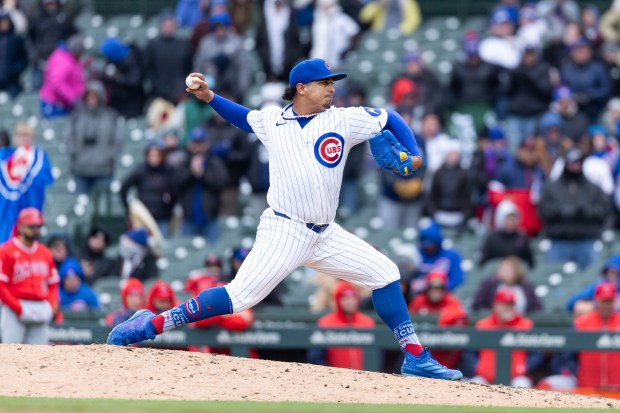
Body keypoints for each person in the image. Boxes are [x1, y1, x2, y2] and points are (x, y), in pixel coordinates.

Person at [107, 58, 463, 381]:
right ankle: (152, 323)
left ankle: (415, 355)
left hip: (326, 233)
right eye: (325, 83)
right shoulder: (272, 120)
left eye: (332, 82)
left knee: (386, 274)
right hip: (285, 229)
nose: (332, 88)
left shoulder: (342, 119)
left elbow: (390, 118)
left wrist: (414, 157)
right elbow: (242, 117)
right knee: (238, 298)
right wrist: (210, 96)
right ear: (302, 88)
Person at [538, 149, 610, 269]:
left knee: (590, 278)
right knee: (555, 277)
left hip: (586, 240)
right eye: (571, 163)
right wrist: (560, 211)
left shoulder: (592, 188)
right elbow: (542, 210)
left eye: (577, 163)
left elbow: (603, 210)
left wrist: (584, 211)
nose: (574, 166)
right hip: (559, 241)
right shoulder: (552, 187)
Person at [0, 208, 58, 344]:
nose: (36, 229)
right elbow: (1, 286)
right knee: (10, 353)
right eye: (31, 226)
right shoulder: (6, 251)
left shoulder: (45, 253)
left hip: (40, 307)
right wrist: (17, 307)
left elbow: (53, 283)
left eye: (38, 226)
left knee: (40, 356)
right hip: (15, 308)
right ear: (20, 227)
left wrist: (51, 303)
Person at [66, 80, 123, 196]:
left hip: (104, 170)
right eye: (90, 96)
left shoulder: (111, 116)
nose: (92, 99)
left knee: (103, 209)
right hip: (81, 169)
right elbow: (68, 137)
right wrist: (75, 153)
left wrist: (107, 156)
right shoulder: (77, 116)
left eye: (95, 96)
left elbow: (118, 140)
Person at [0, 122, 54, 243]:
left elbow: (43, 178)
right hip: (8, 206)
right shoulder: (6, 156)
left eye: (26, 136)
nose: (23, 139)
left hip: (29, 201)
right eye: (20, 135)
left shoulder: (38, 155)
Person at [175, 127, 229, 243]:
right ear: (190, 144)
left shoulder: (214, 161)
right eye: (195, 143)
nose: (198, 146)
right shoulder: (184, 161)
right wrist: (191, 172)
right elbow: (176, 182)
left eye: (201, 143)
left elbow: (221, 182)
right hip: (188, 219)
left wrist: (202, 174)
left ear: (206, 144)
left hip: (211, 220)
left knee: (212, 256)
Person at [308, 281, 376, 370]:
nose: (350, 302)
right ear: (338, 300)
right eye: (346, 298)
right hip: (336, 379)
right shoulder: (325, 323)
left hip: (366, 377)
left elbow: (377, 354)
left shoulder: (367, 322)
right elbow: (316, 356)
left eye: (353, 298)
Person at [472, 289, 534, 386]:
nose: (507, 308)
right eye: (503, 304)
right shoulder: (483, 325)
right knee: (474, 384)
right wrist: (477, 366)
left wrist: (526, 366)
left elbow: (536, 354)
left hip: (516, 377)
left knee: (523, 385)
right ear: (495, 306)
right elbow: (470, 352)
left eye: (510, 305)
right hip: (485, 377)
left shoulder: (525, 325)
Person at [120, 143, 176, 238]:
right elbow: (123, 188)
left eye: (157, 155)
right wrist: (128, 209)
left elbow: (176, 192)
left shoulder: (169, 171)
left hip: (163, 217)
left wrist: (169, 209)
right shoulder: (141, 170)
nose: (154, 158)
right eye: (152, 155)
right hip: (144, 218)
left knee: (162, 247)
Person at [193, 12, 251, 101]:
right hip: (211, 86)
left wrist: (241, 89)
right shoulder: (206, 43)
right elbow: (198, 65)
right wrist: (198, 86)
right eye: (217, 27)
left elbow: (243, 67)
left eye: (222, 27)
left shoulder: (236, 41)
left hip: (232, 87)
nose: (220, 30)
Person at [573, 282, 620, 389]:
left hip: (617, 386)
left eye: (609, 301)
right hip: (588, 385)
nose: (607, 305)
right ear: (597, 301)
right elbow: (570, 352)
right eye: (604, 301)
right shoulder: (582, 322)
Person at [144, 10, 192, 104]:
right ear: (161, 25)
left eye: (171, 25)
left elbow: (188, 68)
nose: (168, 28)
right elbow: (149, 70)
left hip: (179, 94)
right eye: (166, 25)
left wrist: (181, 88)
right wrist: (159, 88)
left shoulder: (183, 45)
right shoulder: (153, 45)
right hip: (158, 94)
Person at [27, 0, 76, 89]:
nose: (51, 6)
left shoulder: (64, 17)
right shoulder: (36, 17)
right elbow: (29, 38)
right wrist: (34, 55)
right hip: (40, 61)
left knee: (58, 89)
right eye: (48, 3)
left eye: (53, 3)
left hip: (59, 61)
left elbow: (73, 35)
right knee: (37, 90)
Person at [560, 37, 611, 121]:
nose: (581, 53)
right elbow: (562, 89)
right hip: (573, 110)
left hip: (596, 109)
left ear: (590, 52)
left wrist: (590, 95)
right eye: (578, 50)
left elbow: (606, 90)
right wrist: (573, 96)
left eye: (584, 50)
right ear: (572, 53)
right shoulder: (566, 68)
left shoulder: (598, 67)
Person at [472, 256, 542, 315]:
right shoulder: (489, 284)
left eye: (507, 270)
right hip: (494, 324)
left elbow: (536, 307)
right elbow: (477, 305)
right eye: (501, 269)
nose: (503, 272)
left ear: (516, 271)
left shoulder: (527, 286)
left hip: (521, 324)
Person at [425, 141, 470, 229]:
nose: (454, 157)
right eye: (451, 154)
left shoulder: (464, 174)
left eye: (456, 154)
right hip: (440, 215)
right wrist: (432, 213)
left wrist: (465, 216)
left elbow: (467, 197)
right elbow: (432, 195)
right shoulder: (438, 173)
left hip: (457, 216)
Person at [255, 0, 303, 83]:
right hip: (266, 70)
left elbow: (296, 44)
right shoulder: (263, 20)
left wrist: (290, 60)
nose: (278, 7)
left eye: (280, 4)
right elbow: (259, 44)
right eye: (276, 4)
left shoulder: (290, 18)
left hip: (287, 69)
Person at [39, 34, 86, 119]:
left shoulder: (70, 58)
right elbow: (57, 82)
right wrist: (73, 98)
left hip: (64, 104)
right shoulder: (63, 61)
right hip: (55, 104)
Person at [99, 37, 146, 119]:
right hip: (118, 104)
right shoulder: (111, 61)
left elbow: (134, 81)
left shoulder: (132, 59)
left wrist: (118, 77)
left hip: (133, 104)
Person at [480, 200, 534, 268]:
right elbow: (483, 262)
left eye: (513, 219)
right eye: (508, 219)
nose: (511, 222)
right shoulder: (492, 238)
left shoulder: (522, 237)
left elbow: (530, 262)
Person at [417, 220, 465, 292]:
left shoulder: (452, 256)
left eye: (431, 244)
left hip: (444, 296)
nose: (428, 247)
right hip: (419, 296)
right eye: (425, 244)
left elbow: (457, 279)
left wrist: (437, 288)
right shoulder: (417, 254)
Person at [0, 12, 27, 98]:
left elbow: (24, 58)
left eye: (6, 23)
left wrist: (16, 69)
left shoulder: (16, 39)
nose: (4, 26)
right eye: (2, 24)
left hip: (12, 80)